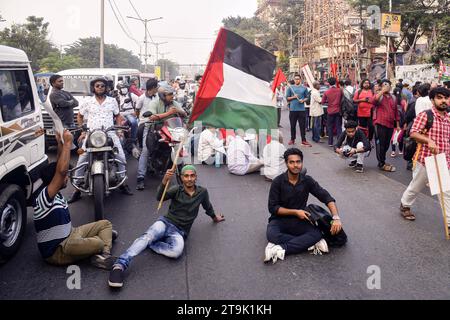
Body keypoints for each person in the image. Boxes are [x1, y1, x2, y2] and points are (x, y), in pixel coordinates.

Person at [108, 165, 225, 288]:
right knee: (147, 237)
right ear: (181, 178)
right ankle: (119, 265)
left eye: (192, 175)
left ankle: (152, 244)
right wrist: (164, 181)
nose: (189, 179)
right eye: (186, 176)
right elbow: (160, 197)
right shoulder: (176, 190)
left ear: (196, 177)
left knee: (176, 252)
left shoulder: (202, 192)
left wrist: (215, 217)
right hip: (165, 223)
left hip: (180, 232)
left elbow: (208, 207)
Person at [34, 129, 118, 269]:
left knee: (105, 224)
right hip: (58, 250)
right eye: (64, 176)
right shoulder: (45, 197)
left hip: (71, 234)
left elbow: (59, 167)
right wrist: (68, 143)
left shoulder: (54, 193)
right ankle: (102, 247)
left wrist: (60, 142)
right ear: (55, 180)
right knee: (99, 242)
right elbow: (60, 171)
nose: (66, 177)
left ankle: (104, 252)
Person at [264, 148, 343, 264]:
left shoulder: (307, 180)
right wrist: (295, 212)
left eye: (298, 162)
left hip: (300, 220)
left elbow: (326, 197)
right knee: (272, 235)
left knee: (315, 234)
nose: (295, 165)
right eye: (292, 162)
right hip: (280, 220)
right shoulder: (278, 182)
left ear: (302, 162)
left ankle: (281, 248)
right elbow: (273, 208)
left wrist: (336, 218)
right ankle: (310, 243)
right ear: (286, 163)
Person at [69, 77, 133, 203]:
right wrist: (83, 131)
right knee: (82, 159)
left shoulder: (112, 101)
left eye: (102, 86)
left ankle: (122, 183)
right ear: (94, 88)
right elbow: (80, 116)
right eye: (97, 86)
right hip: (92, 134)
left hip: (109, 133)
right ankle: (76, 189)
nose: (100, 88)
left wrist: (119, 130)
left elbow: (118, 116)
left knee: (121, 157)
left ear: (106, 88)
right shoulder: (88, 101)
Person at [400, 87, 450, 226]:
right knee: (416, 186)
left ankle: (449, 223)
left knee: (445, 191)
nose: (443, 101)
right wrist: (428, 140)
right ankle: (405, 205)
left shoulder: (448, 118)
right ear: (433, 100)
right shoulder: (426, 115)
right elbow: (413, 133)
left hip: (442, 160)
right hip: (425, 158)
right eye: (439, 98)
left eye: (446, 98)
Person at [135, 83, 187, 191]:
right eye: (169, 95)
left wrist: (178, 111)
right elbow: (152, 117)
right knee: (146, 151)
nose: (172, 96)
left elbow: (185, 114)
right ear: (163, 95)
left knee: (178, 147)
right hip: (153, 127)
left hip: (169, 128)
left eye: (172, 94)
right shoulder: (154, 103)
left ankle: (178, 169)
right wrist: (169, 113)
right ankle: (140, 177)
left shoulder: (174, 103)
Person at [371, 79, 400, 172]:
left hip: (390, 124)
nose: (387, 86)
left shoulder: (393, 97)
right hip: (380, 123)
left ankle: (382, 160)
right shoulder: (379, 95)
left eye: (388, 85)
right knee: (380, 144)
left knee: (387, 144)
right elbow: (373, 101)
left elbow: (396, 111)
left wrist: (398, 124)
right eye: (384, 85)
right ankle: (381, 163)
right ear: (381, 86)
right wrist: (382, 91)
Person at [286, 74, 312, 147]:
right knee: (292, 125)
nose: (296, 80)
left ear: (300, 80)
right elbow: (287, 98)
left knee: (302, 126)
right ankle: (292, 139)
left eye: (298, 79)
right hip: (293, 109)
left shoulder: (304, 88)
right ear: (294, 80)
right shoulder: (290, 88)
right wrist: (294, 97)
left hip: (301, 110)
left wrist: (303, 100)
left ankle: (303, 140)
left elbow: (307, 97)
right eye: (295, 79)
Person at [116, 81, 139, 157]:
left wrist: (135, 112)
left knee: (134, 122)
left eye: (125, 88)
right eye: (122, 88)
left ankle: (133, 139)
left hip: (129, 113)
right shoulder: (116, 96)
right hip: (119, 114)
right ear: (119, 89)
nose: (124, 89)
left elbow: (139, 102)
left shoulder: (131, 95)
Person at [321, 77, 343, 147]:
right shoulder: (339, 90)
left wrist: (328, 102)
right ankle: (339, 142)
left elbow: (322, 102)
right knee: (338, 127)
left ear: (328, 83)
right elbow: (342, 100)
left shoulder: (327, 92)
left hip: (330, 111)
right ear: (335, 82)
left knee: (330, 127)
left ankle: (330, 142)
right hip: (338, 110)